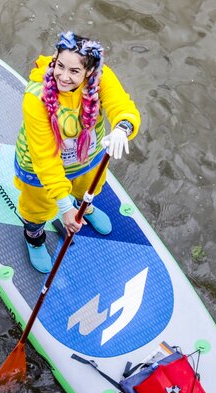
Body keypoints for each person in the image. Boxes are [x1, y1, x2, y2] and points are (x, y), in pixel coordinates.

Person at [14, 31, 141, 273]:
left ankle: (86, 208)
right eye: (60, 66)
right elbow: (45, 159)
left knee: (87, 191)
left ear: (89, 72)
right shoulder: (34, 97)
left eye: (74, 71)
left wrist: (123, 128)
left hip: (85, 161)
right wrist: (64, 208)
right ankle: (34, 236)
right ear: (54, 58)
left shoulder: (102, 77)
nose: (63, 76)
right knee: (38, 208)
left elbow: (122, 105)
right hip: (41, 169)